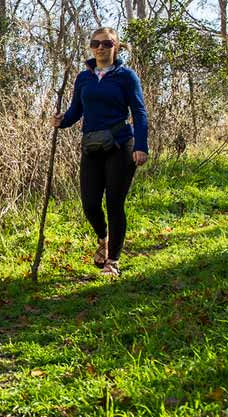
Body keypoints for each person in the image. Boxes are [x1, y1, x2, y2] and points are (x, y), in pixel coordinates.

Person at [51, 27, 149, 277]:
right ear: (91, 47)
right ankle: (103, 238)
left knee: (115, 203)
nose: (101, 48)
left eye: (107, 44)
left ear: (116, 46)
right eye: (96, 43)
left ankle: (113, 261)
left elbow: (138, 112)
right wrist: (62, 121)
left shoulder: (126, 76)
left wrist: (141, 146)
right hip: (92, 146)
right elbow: (76, 111)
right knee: (90, 204)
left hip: (120, 145)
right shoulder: (84, 78)